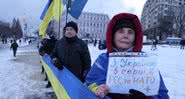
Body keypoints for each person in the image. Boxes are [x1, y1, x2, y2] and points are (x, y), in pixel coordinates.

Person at [85, 13, 169, 99]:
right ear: (112, 35)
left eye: (130, 32)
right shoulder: (103, 60)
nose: (125, 36)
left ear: (135, 37)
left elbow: (163, 94)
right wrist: (97, 90)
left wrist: (149, 98)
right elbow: (88, 86)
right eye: (121, 31)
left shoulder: (146, 62)